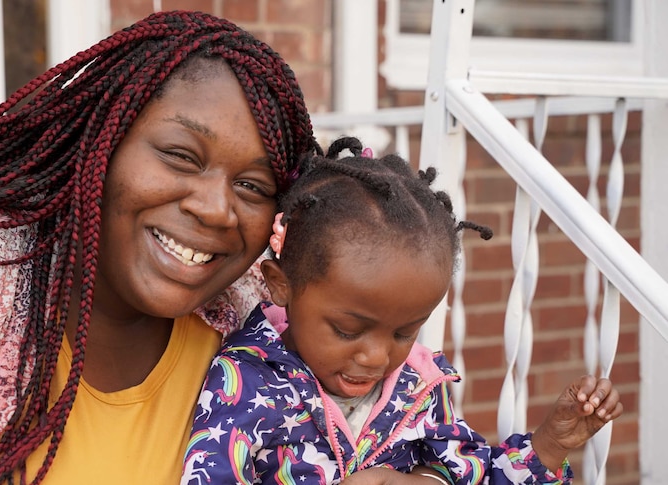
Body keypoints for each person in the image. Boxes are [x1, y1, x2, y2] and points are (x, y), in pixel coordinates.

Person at [0, 10, 321, 485]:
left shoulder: (265, 320)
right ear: (97, 143)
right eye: (180, 155)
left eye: (252, 186)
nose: (215, 209)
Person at [179, 137, 623, 485]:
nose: (377, 357)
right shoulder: (243, 384)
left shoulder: (421, 385)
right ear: (281, 285)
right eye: (349, 330)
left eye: (404, 333)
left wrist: (548, 444)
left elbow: (474, 472)